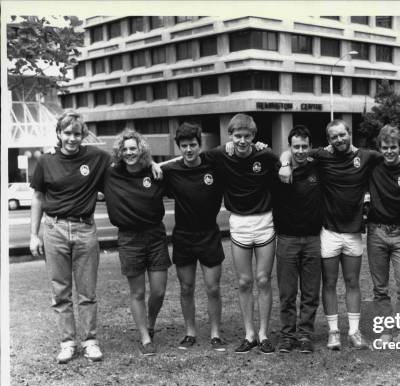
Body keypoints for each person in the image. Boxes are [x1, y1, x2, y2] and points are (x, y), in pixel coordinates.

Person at [280, 120, 380, 351]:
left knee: (353, 282)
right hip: (329, 232)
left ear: (349, 133)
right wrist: (285, 163)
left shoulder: (366, 156)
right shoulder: (322, 156)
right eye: (334, 137)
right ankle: (333, 332)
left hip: (353, 232)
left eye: (342, 135)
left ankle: (354, 332)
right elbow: (292, 148)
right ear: (328, 140)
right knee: (330, 283)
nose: (339, 140)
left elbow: (395, 159)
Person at [30, 110, 110, 364]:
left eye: (77, 133)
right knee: (61, 292)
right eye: (67, 133)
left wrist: (151, 163)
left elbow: (129, 161)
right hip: (54, 229)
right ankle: (67, 342)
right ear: (58, 133)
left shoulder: (97, 157)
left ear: (83, 135)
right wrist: (33, 234)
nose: (72, 138)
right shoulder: (45, 161)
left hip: (85, 229)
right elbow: (38, 198)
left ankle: (89, 341)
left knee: (87, 291)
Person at [206, 114, 278, 354]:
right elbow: (193, 157)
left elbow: (285, 161)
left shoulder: (265, 155)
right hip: (238, 222)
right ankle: (249, 334)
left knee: (264, 279)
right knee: (245, 281)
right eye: (237, 136)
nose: (242, 140)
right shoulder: (221, 154)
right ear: (230, 136)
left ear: (254, 137)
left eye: (247, 136)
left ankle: (264, 334)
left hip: (264, 221)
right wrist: (155, 164)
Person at [103, 130, 171, 355]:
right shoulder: (110, 173)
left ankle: (150, 323)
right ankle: (145, 337)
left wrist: (152, 162)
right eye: (125, 149)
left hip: (155, 235)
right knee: (138, 292)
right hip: (129, 238)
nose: (129, 152)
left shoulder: (154, 172)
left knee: (159, 291)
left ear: (140, 149)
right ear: (119, 152)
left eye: (133, 148)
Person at [159, 123, 226, 351]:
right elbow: (144, 170)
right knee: (186, 287)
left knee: (213, 288)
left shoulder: (214, 166)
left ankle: (216, 333)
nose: (189, 150)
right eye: (184, 146)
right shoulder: (171, 171)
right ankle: (190, 332)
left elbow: (234, 151)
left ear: (200, 144)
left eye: (193, 145)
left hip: (209, 234)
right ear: (179, 147)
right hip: (184, 236)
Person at [366, 125, 400, 343]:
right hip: (376, 231)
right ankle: (386, 331)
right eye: (385, 147)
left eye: (394, 147)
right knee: (380, 287)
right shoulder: (372, 164)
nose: (389, 151)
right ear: (380, 147)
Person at [273, 125, 323, 354]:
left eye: (304, 146)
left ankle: (305, 334)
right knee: (287, 292)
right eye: (296, 147)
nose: (300, 151)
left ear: (310, 147)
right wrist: (284, 163)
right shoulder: (279, 169)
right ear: (289, 147)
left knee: (311, 292)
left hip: (313, 239)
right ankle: (287, 335)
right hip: (287, 239)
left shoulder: (318, 166)